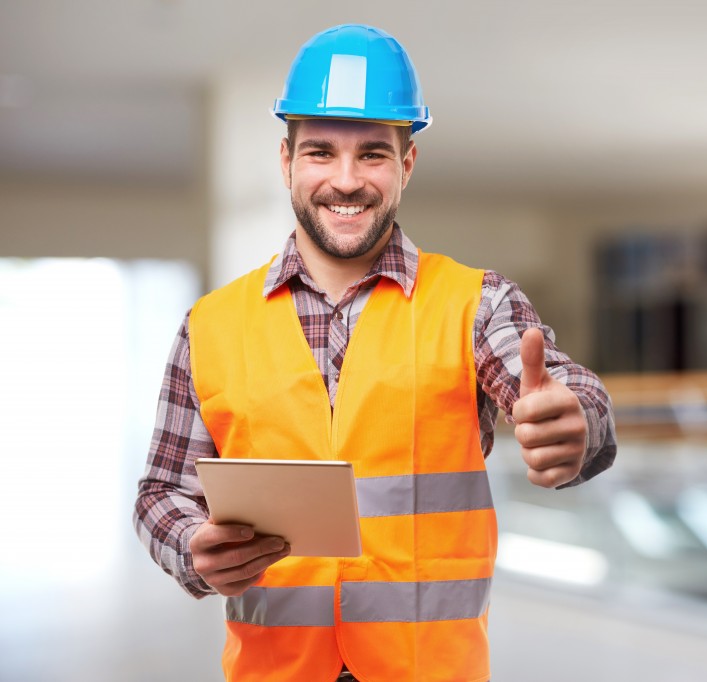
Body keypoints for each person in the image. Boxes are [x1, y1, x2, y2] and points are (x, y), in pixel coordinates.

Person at [134, 23, 616, 682]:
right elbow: (162, 491)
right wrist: (192, 546)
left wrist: (576, 420)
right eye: (321, 152)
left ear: (406, 165)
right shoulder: (210, 325)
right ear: (286, 161)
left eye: (372, 154)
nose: (346, 179)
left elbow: (556, 390)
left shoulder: (476, 306)